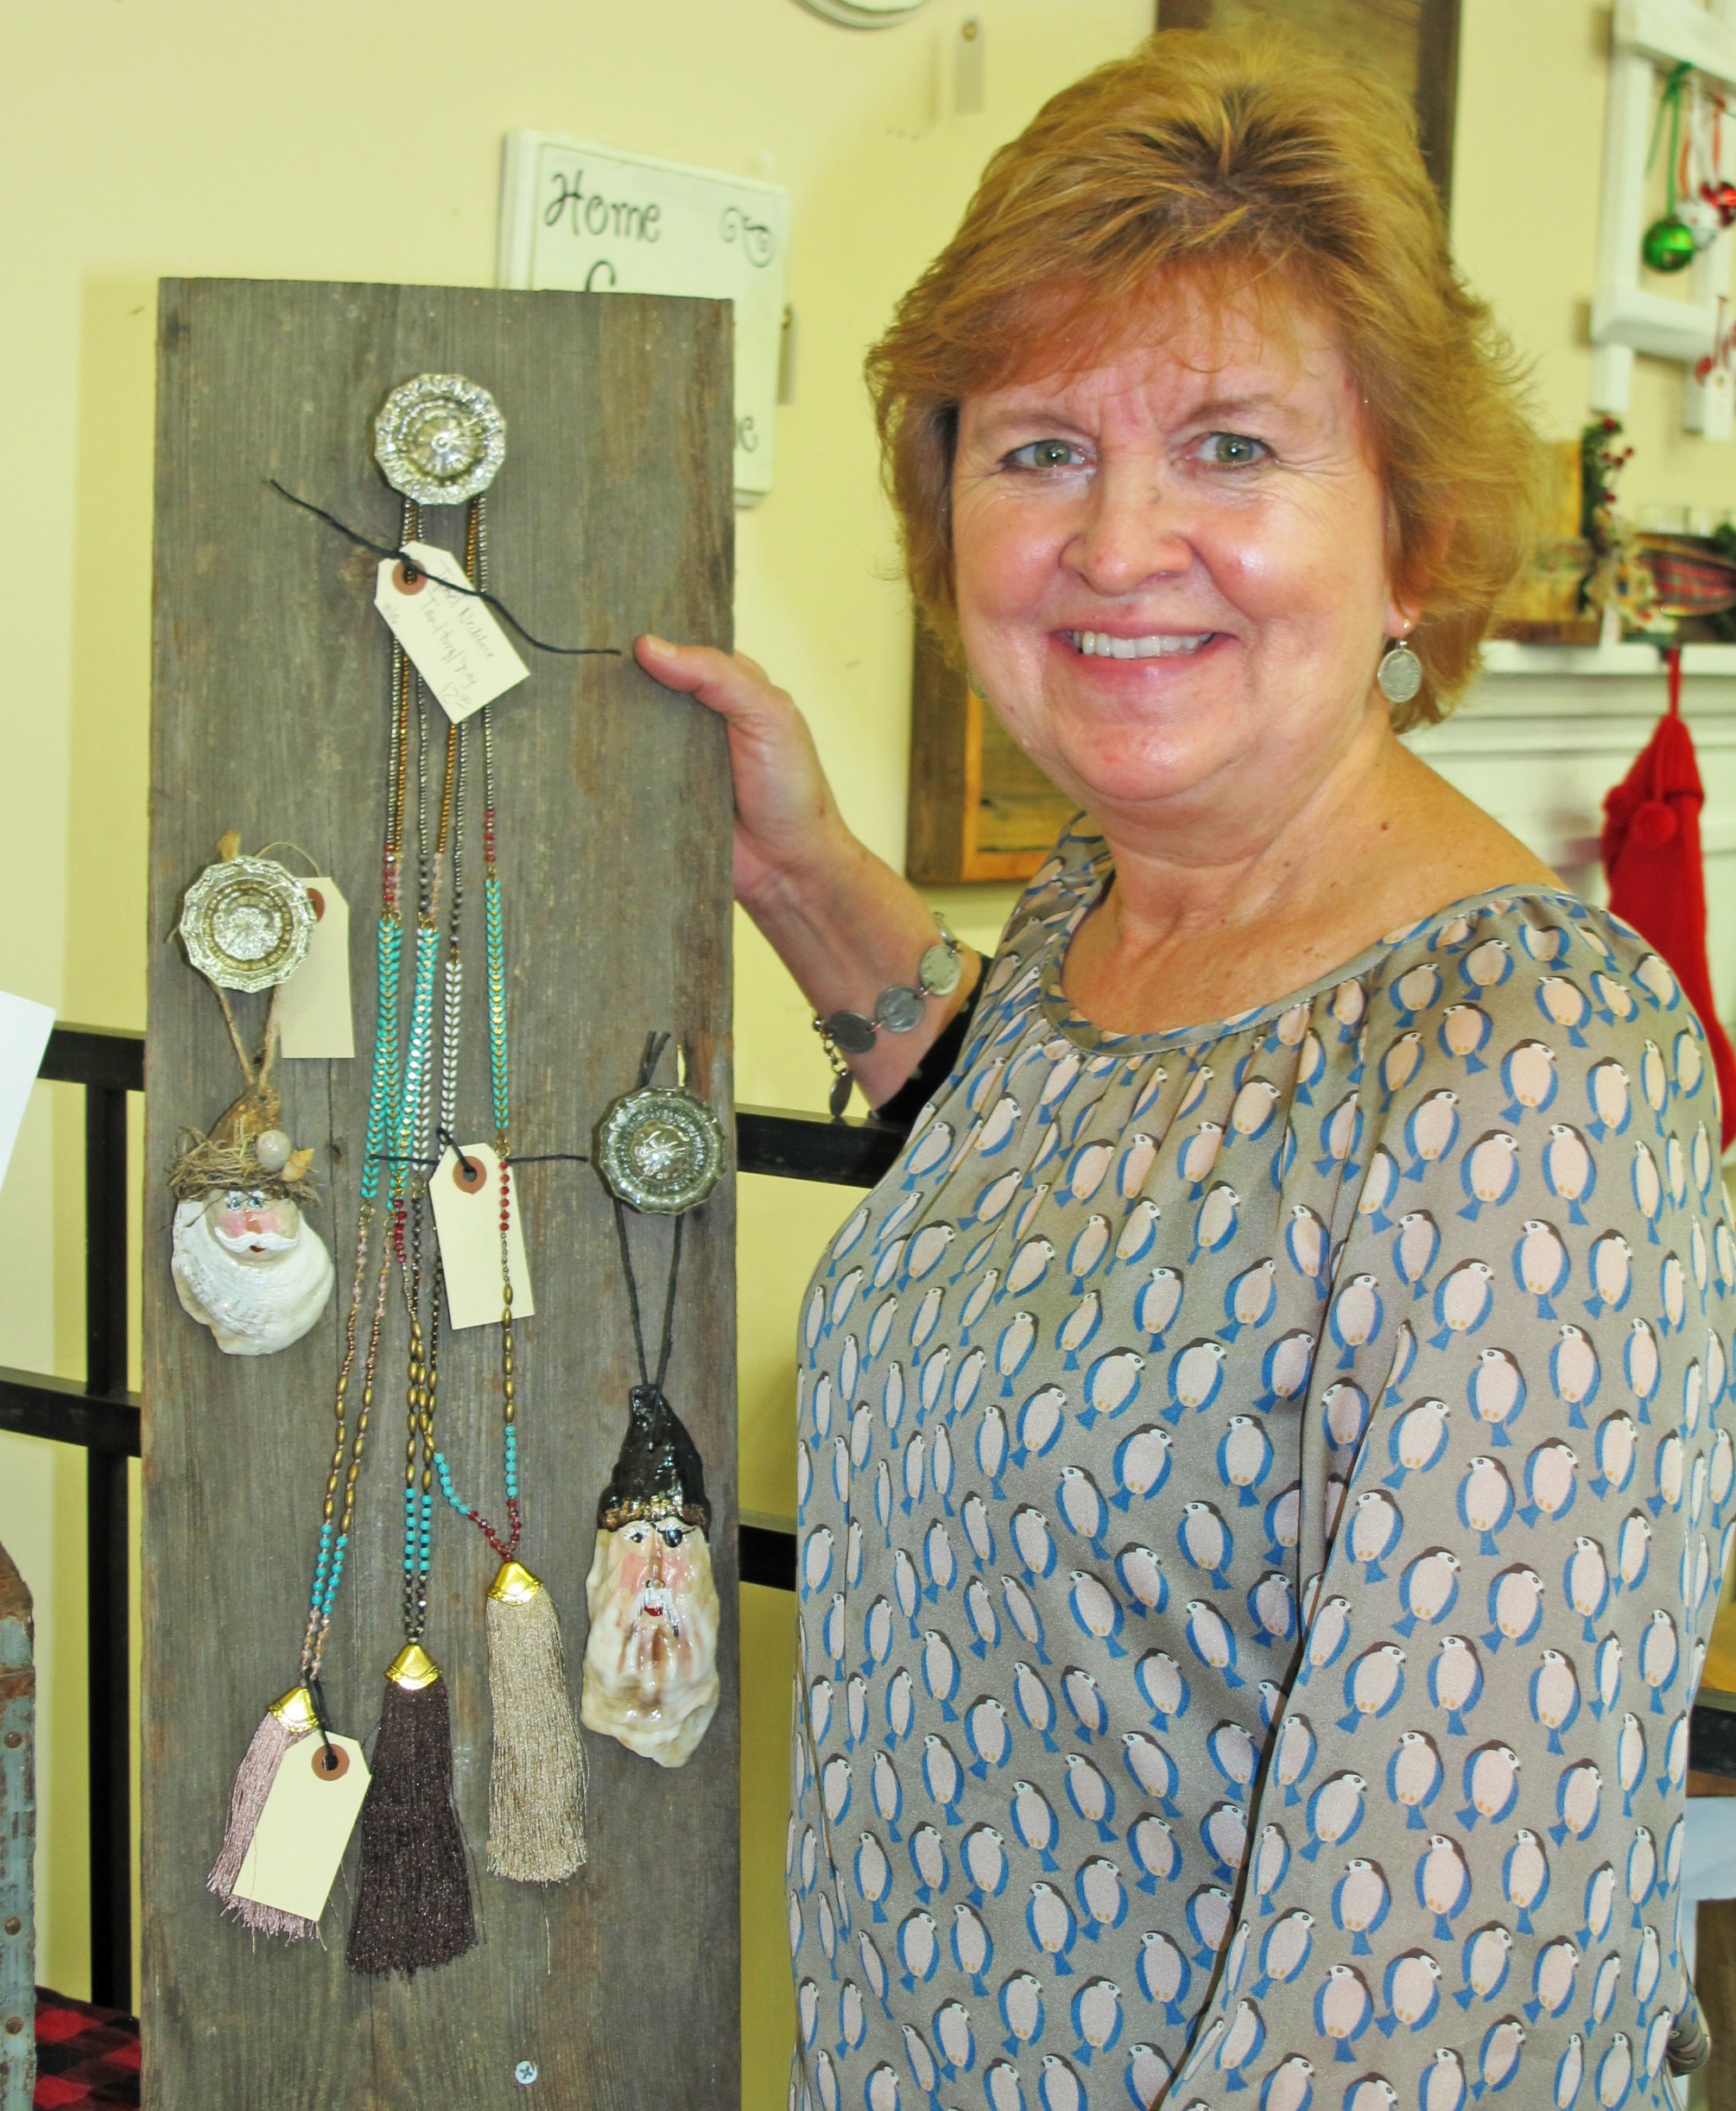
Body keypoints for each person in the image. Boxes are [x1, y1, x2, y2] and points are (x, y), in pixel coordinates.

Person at [640, 28, 1729, 2108]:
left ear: (1411, 538)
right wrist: (799, 877)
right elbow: (1102, 1182)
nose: (1121, 539)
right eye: (1042, 448)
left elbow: (1439, 1998)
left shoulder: (1532, 1069)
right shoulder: (1107, 902)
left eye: (1233, 446)